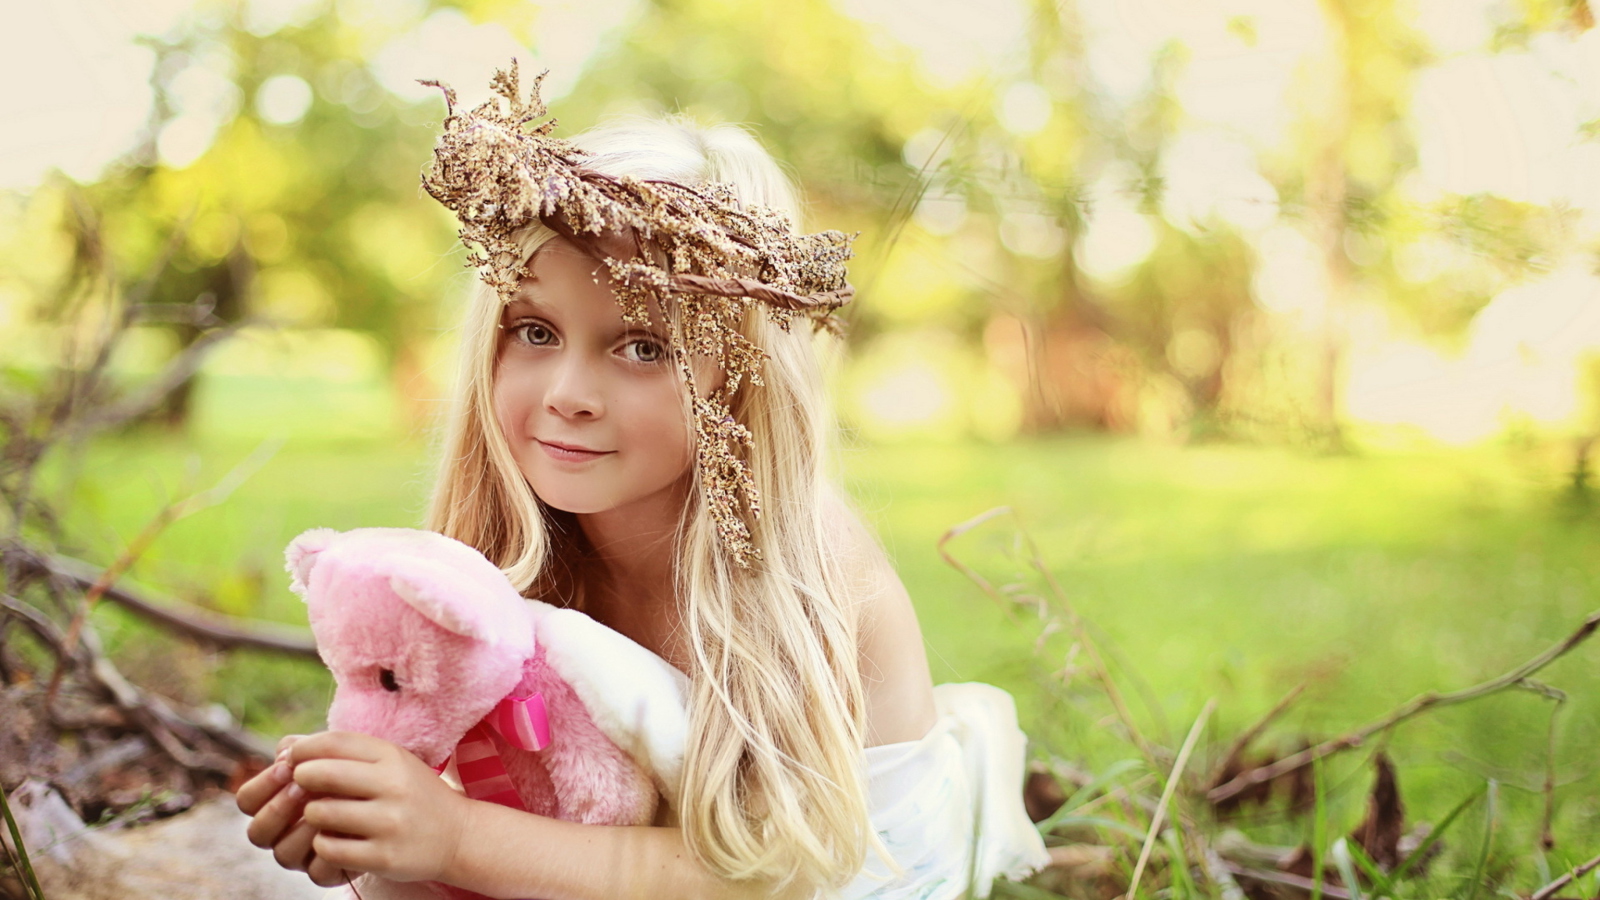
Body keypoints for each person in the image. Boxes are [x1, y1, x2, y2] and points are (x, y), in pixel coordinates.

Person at [236, 64, 1048, 900]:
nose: (568, 396)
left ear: (739, 380)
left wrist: (455, 836)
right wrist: (362, 821)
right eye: (536, 331)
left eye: (642, 347)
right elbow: (480, 806)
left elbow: (764, 874)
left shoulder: (809, 570)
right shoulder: (508, 553)